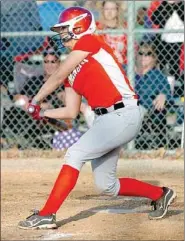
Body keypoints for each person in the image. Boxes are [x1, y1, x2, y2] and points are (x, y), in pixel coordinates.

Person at [18, 6, 176, 230]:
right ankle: (161, 195)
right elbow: (71, 111)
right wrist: (41, 112)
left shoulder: (90, 41)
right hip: (106, 121)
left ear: (79, 27)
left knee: (75, 154)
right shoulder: (72, 71)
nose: (62, 35)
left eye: (65, 30)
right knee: (106, 185)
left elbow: (59, 73)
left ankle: (47, 214)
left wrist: (35, 99)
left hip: (124, 113)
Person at [133, 43, 172, 149]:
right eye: (141, 53)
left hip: (145, 109)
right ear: (136, 55)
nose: (143, 57)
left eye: (148, 54)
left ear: (154, 58)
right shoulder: (127, 71)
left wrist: (163, 95)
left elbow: (168, 94)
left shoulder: (158, 76)